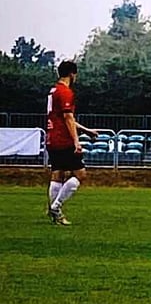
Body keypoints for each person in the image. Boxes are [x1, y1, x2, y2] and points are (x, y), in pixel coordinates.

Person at [45, 60, 101, 226]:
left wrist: (86, 131)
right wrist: (77, 141)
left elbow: (63, 118)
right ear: (72, 74)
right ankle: (55, 207)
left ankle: (55, 213)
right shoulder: (66, 92)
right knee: (80, 174)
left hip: (51, 137)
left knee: (58, 174)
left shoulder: (53, 91)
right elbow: (68, 118)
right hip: (64, 139)